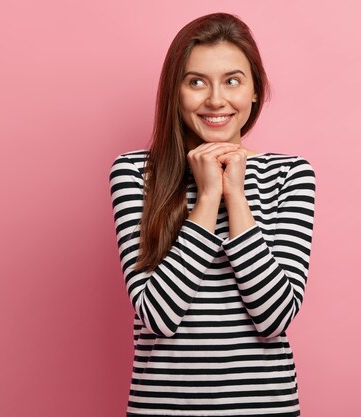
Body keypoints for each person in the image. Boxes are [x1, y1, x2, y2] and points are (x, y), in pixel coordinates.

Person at [109, 12, 315, 417]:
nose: (216, 100)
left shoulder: (290, 174)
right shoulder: (135, 173)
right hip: (162, 408)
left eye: (233, 81)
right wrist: (207, 199)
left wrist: (235, 195)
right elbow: (157, 315)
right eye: (196, 81)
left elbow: (274, 317)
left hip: (264, 408)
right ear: (176, 92)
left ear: (255, 91)